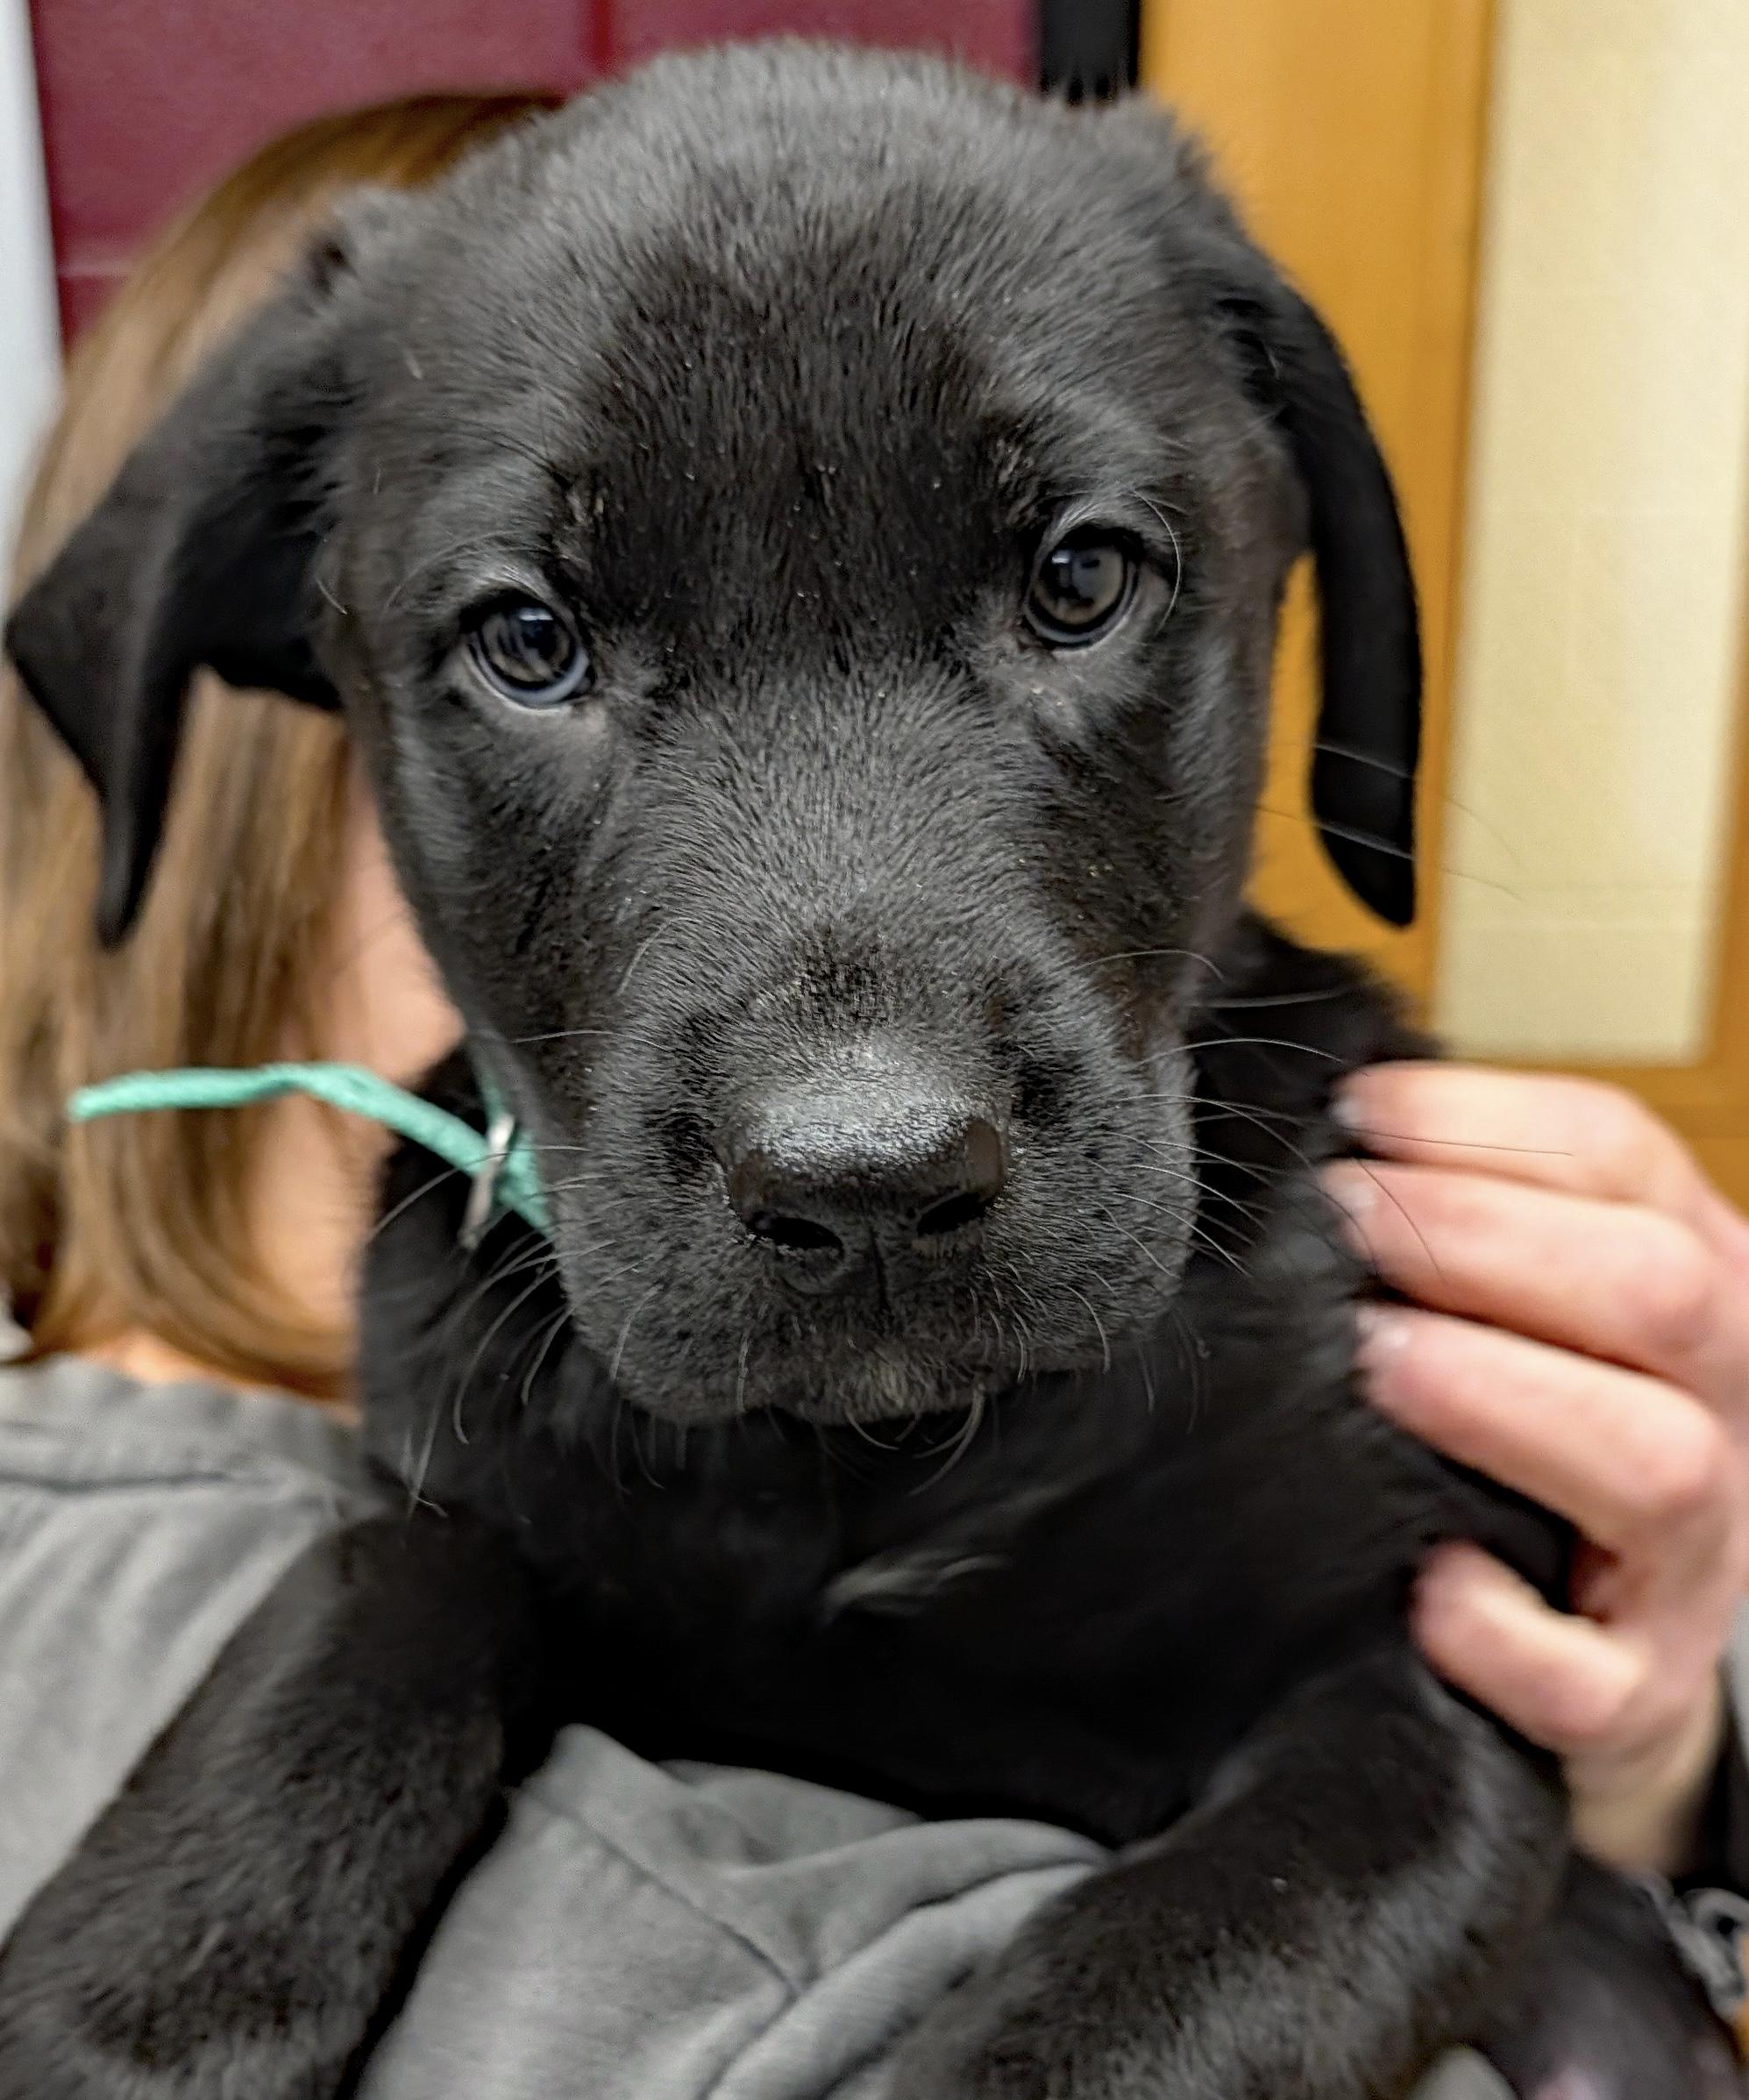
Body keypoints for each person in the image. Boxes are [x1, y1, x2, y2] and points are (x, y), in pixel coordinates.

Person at [2, 93, 1746, 2100]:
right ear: (285, 671)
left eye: (1077, 578)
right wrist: (398, 1633)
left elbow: (1440, 1737)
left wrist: (1663, 1751)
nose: (862, 1116)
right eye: (535, 637)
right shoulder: (163, 1513)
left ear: (1302, 564)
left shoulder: (1330, 1253)